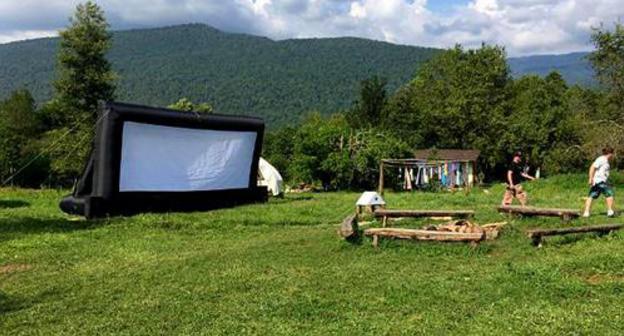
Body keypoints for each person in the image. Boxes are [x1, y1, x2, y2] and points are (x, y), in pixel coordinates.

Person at [583, 146, 615, 217]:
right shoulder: (602, 159)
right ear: (610, 153)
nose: (613, 156)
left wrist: (607, 181)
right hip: (600, 181)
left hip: (599, 181)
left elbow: (603, 172)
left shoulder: (605, 161)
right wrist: (590, 178)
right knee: (610, 194)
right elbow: (592, 167)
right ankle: (610, 211)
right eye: (612, 154)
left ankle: (586, 212)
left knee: (591, 196)